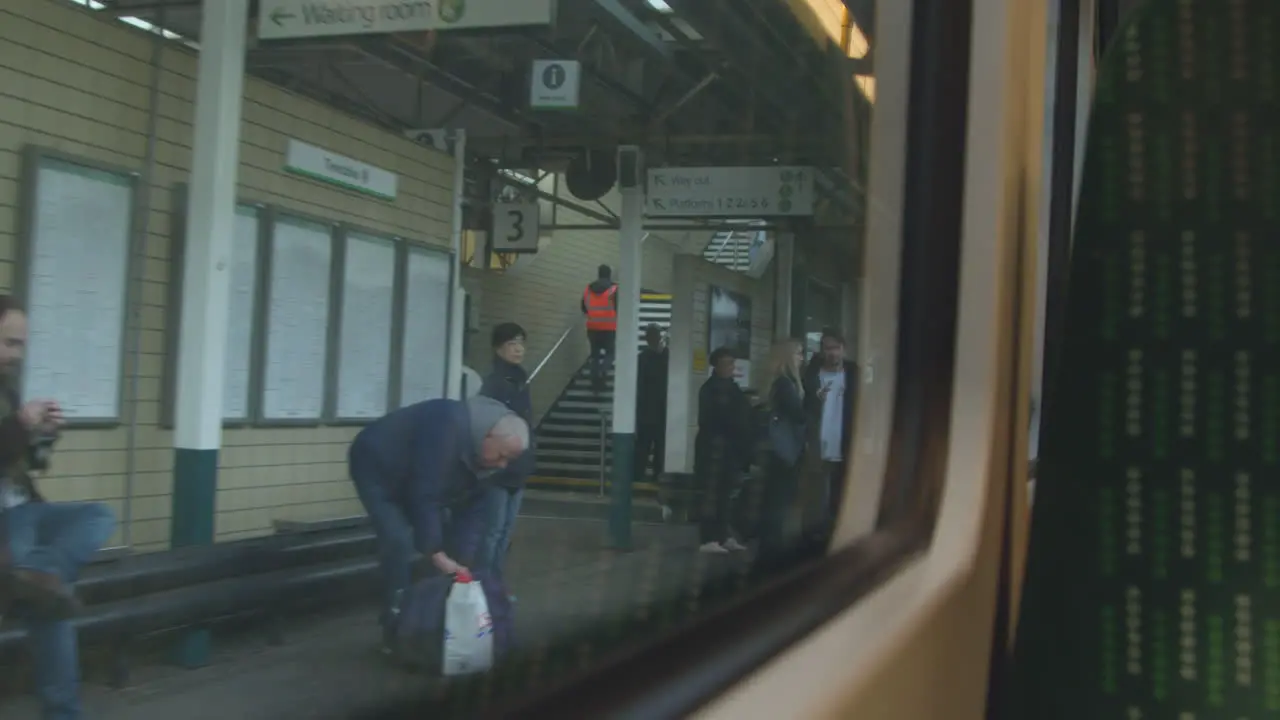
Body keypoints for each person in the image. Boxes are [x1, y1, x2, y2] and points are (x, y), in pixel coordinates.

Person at [0, 295, 116, 720]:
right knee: (50, 605)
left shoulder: (6, 389)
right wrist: (20, 425)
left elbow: (27, 464)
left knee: (98, 516)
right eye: (9, 343)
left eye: (21, 345)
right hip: (4, 523)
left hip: (25, 511)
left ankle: (43, 573)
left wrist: (43, 437)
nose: (17, 354)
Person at [347, 395, 530, 653]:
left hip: (418, 479)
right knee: (399, 540)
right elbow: (425, 494)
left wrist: (461, 563)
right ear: (488, 437)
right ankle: (393, 623)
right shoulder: (445, 428)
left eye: (508, 460)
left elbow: (473, 515)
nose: (502, 465)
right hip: (377, 467)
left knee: (448, 556)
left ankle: (430, 621)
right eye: (501, 456)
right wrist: (436, 553)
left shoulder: (487, 458)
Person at [477, 323, 534, 589]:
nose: (518, 349)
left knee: (505, 534)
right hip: (497, 471)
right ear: (498, 348)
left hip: (518, 468)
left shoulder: (522, 381)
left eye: (521, 343)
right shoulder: (493, 384)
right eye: (512, 344)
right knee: (492, 533)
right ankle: (483, 588)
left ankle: (495, 587)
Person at [754, 339, 807, 574]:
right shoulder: (786, 385)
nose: (801, 358)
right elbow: (799, 415)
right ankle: (771, 553)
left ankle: (767, 550)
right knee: (778, 504)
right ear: (787, 357)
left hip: (774, 453)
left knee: (773, 502)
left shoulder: (776, 383)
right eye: (798, 353)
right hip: (784, 454)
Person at [694, 347, 753, 554]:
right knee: (712, 493)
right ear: (716, 365)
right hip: (713, 449)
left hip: (730, 450)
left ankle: (724, 535)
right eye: (726, 363)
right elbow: (709, 419)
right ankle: (708, 538)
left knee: (726, 494)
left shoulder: (732, 388)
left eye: (732, 363)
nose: (730, 367)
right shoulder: (709, 389)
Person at [802, 330, 858, 539]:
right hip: (818, 439)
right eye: (828, 348)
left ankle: (839, 527)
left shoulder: (853, 373)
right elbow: (806, 405)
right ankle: (813, 531)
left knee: (842, 485)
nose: (832, 353)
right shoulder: (812, 373)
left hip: (845, 437)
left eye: (836, 348)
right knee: (816, 488)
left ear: (843, 349)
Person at [634, 324, 668, 484]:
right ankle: (653, 474)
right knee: (652, 445)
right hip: (656, 409)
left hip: (650, 410)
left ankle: (642, 474)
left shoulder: (643, 358)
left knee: (646, 445)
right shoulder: (664, 357)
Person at [581, 264, 618, 392]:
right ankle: (603, 371)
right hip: (609, 327)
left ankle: (595, 383)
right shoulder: (614, 289)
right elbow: (619, 307)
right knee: (611, 353)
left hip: (592, 328)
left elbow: (584, 308)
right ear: (609, 274)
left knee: (595, 356)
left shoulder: (588, 289)